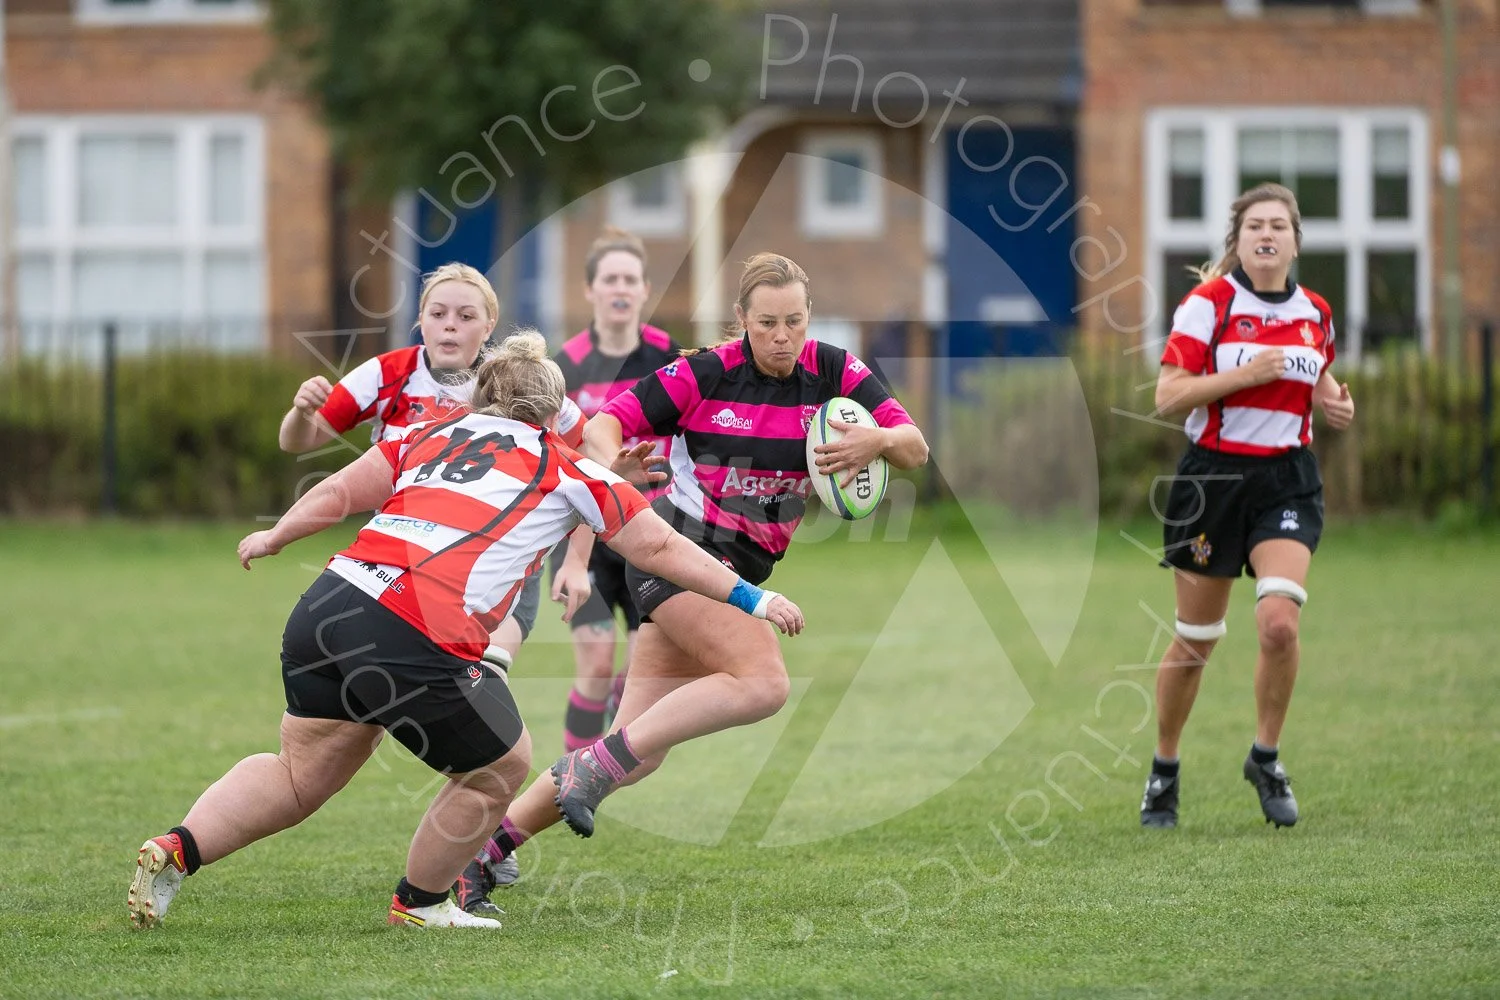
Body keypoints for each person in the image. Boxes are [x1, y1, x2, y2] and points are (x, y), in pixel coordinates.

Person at [126, 331, 805, 931]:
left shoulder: (428, 434)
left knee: (299, 773)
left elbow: (339, 492)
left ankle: (177, 848)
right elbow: (660, 547)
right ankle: (421, 903)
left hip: (328, 607)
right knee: (500, 768)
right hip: (412, 624)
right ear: (552, 415)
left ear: (482, 399)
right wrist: (753, 595)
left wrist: (276, 535)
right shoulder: (567, 466)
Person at [452, 252, 928, 914]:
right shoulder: (704, 373)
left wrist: (874, 442)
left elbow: (914, 446)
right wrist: (610, 469)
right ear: (742, 320)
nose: (782, 336)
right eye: (767, 323)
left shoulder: (835, 371)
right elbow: (604, 424)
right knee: (765, 682)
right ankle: (585, 770)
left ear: (808, 317)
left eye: (794, 321)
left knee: (636, 752)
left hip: (734, 571)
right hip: (677, 558)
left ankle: (479, 857)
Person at [1140, 183, 1356, 831]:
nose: (1267, 234)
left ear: (1295, 242)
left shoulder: (1317, 312)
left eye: (1278, 226)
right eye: (1255, 225)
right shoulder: (1207, 305)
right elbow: (1167, 396)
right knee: (1196, 641)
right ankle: (1164, 769)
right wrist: (1245, 375)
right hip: (1213, 481)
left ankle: (1266, 757)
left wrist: (1334, 400)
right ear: (1238, 241)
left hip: (1287, 480)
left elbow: (1317, 375)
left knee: (1279, 624)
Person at [275, 262, 592, 675]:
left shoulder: (516, 380)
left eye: (466, 316)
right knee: (382, 689)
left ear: (489, 325)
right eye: (438, 313)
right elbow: (297, 441)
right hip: (398, 554)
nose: (450, 325)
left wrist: (576, 562)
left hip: (496, 558)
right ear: (420, 320)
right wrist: (302, 412)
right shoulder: (388, 374)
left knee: (479, 679)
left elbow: (591, 463)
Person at [551, 227, 685, 754]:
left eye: (630, 279)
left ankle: (599, 764)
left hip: (651, 531)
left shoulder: (673, 359)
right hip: (582, 533)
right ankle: (568, 776)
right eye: (610, 279)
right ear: (591, 289)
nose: (621, 288)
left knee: (636, 674)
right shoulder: (564, 366)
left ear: (645, 289)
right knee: (595, 663)